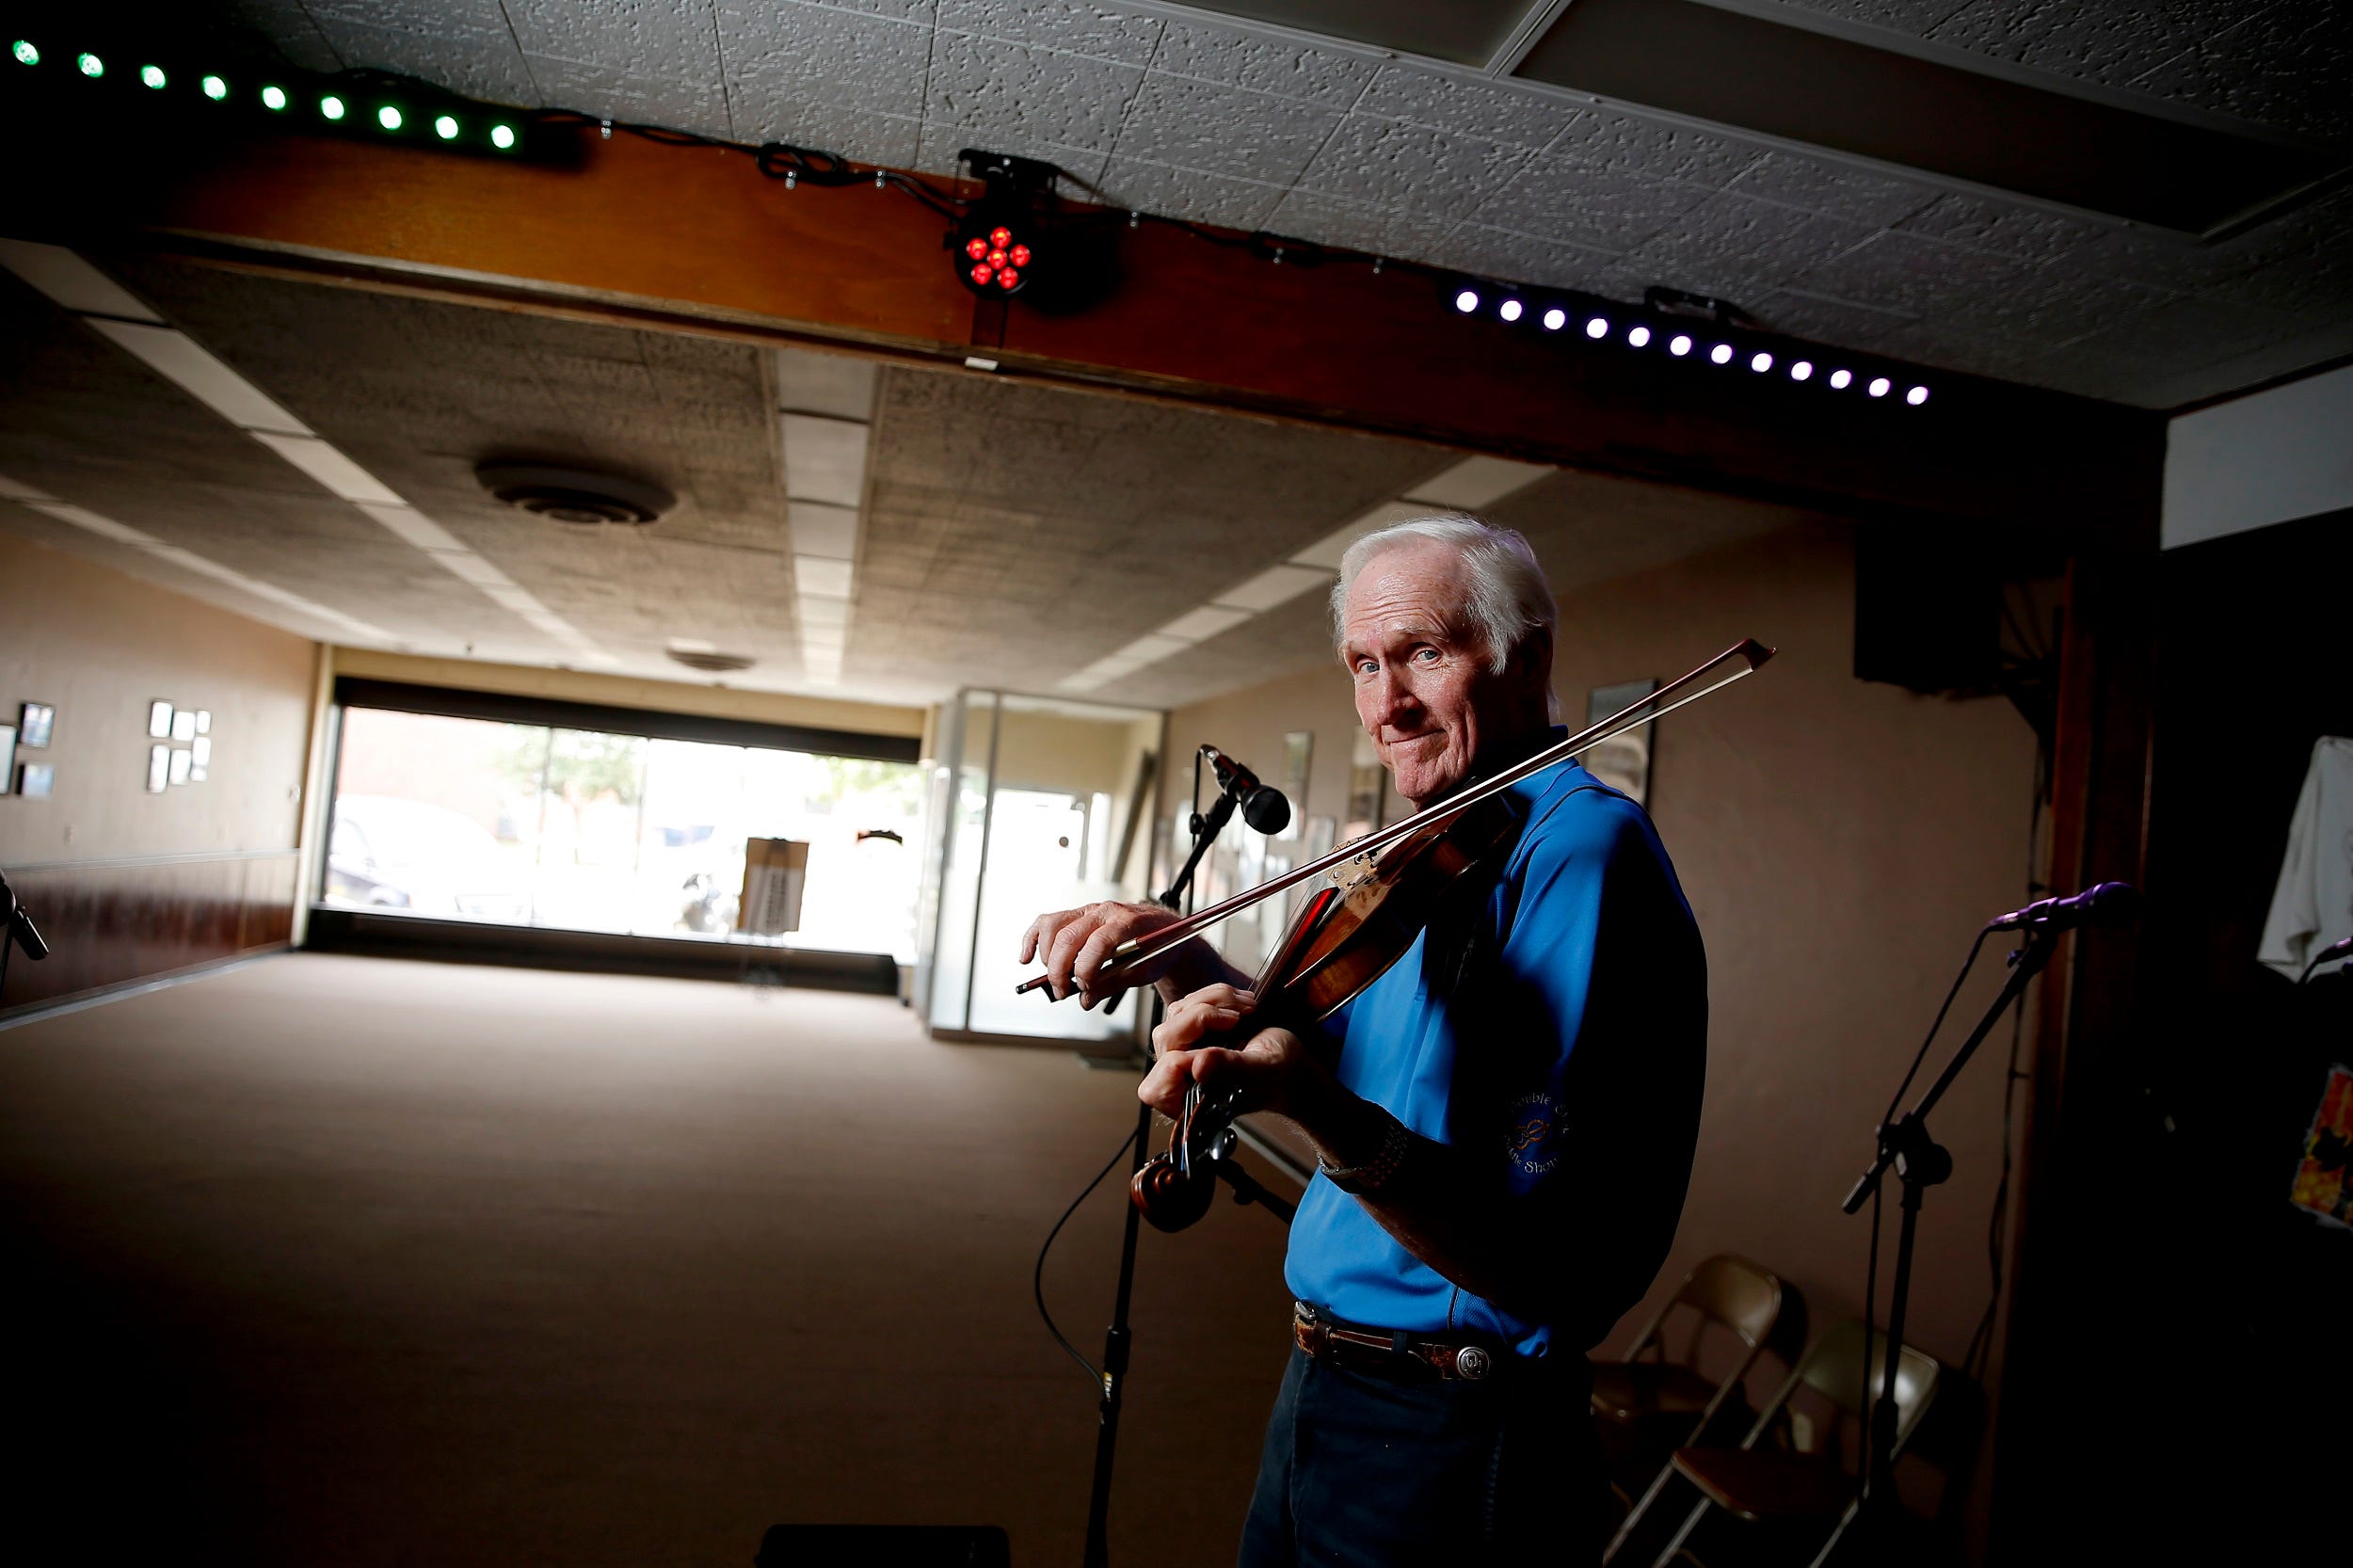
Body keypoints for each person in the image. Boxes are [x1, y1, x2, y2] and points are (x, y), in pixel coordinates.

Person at [1020, 516, 1707, 1566]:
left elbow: (1536, 1255)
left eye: (1426, 654)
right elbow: (1330, 1040)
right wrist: (1180, 959)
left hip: (1453, 1415)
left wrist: (1320, 1112)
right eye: (1363, 664)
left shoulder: (1579, 849)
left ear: (1525, 655)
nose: (1385, 705)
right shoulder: (1434, 845)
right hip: (1326, 1378)